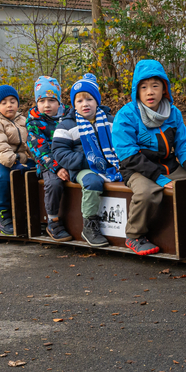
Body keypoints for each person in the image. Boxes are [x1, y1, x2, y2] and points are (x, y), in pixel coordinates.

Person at [113, 59, 186, 255]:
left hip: (167, 165)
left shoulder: (173, 113)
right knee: (147, 192)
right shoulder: (126, 115)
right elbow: (128, 155)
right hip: (137, 168)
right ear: (137, 91)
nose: (150, 92)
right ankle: (134, 235)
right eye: (144, 87)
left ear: (164, 88)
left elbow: (183, 147)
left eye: (155, 86)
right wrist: (160, 178)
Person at [52, 74, 122, 248]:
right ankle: (90, 225)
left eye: (89, 99)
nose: (85, 104)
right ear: (74, 104)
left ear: (97, 101)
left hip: (110, 164)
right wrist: (87, 160)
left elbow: (122, 143)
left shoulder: (110, 121)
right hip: (82, 168)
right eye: (80, 101)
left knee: (130, 176)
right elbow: (59, 152)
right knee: (93, 181)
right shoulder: (67, 125)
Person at [0, 85, 35, 235]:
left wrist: (40, 160)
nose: (9, 105)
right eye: (3, 103)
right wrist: (14, 163)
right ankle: (1, 214)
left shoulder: (22, 120)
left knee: (36, 170)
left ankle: (31, 213)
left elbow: (31, 143)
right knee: (4, 177)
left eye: (12, 101)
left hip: (16, 159)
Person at [26, 76, 72, 242]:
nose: (47, 105)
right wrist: (57, 168)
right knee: (54, 183)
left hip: (70, 158)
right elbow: (39, 149)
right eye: (42, 101)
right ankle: (53, 221)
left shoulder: (69, 116)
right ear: (36, 102)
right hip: (48, 163)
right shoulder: (34, 122)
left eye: (52, 100)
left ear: (59, 101)